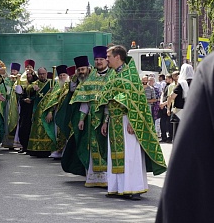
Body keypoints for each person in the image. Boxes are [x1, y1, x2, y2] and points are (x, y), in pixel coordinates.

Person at [99, 45, 167, 200]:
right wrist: (105, 120)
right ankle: (117, 187)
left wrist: (132, 121)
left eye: (109, 56)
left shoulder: (131, 75)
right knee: (115, 156)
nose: (106, 59)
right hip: (114, 121)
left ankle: (134, 189)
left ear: (117, 57)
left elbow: (136, 101)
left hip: (127, 121)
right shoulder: (112, 75)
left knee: (131, 156)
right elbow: (107, 99)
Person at [155, 52, 214, 223]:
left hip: (183, 112)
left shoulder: (207, 70)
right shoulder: (195, 79)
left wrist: (166, 105)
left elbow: (190, 159)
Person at [69, 47, 116, 187]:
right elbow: (85, 99)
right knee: (93, 146)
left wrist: (106, 120)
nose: (98, 62)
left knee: (107, 146)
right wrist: (81, 119)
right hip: (92, 118)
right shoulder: (91, 77)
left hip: (109, 117)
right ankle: (94, 178)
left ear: (106, 60)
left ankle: (110, 178)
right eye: (96, 60)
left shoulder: (113, 76)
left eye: (101, 59)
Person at [27, 67, 54, 157]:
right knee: (37, 129)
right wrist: (32, 88)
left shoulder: (51, 83)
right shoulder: (36, 83)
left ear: (46, 73)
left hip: (48, 109)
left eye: (43, 74)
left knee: (47, 129)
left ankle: (48, 149)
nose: (42, 75)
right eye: (40, 74)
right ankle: (36, 149)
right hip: (38, 111)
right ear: (38, 75)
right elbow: (28, 88)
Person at [167, 63, 194, 141]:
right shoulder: (197, 82)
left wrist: (168, 108)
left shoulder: (182, 84)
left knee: (178, 134)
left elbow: (171, 96)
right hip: (192, 111)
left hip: (180, 111)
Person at [16, 59, 38, 153]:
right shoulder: (22, 82)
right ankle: (24, 146)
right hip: (25, 109)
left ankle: (30, 147)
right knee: (23, 127)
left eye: (30, 74)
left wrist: (31, 99)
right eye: (28, 74)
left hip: (33, 108)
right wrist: (24, 100)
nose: (29, 76)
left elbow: (38, 95)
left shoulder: (36, 83)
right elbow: (19, 95)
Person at [159, 74, 173, 143]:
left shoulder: (172, 86)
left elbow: (170, 97)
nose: (165, 80)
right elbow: (163, 93)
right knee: (162, 123)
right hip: (163, 106)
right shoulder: (166, 86)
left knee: (169, 123)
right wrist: (161, 102)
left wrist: (164, 103)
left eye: (167, 79)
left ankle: (170, 137)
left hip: (169, 106)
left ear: (171, 79)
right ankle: (163, 137)